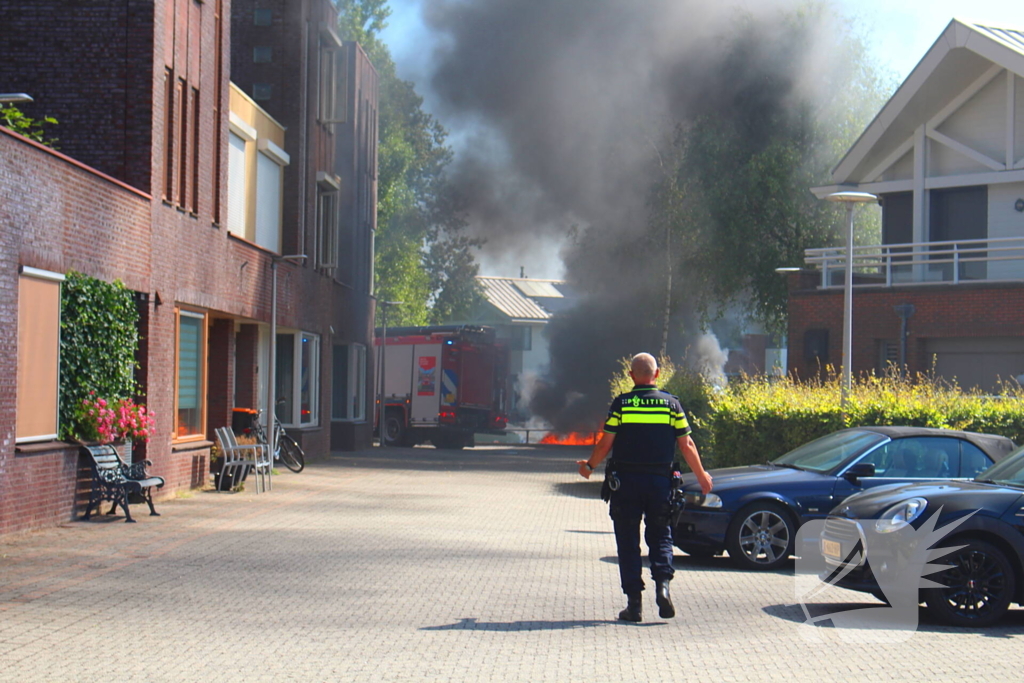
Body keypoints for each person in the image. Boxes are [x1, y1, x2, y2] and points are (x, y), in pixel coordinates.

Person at [577, 353, 713, 622]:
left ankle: (634, 605)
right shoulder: (671, 405)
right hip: (660, 484)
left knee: (628, 542)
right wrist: (702, 476)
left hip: (626, 483)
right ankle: (662, 587)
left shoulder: (622, 404)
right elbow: (687, 445)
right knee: (661, 536)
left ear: (631, 375)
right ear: (657, 374)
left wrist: (589, 467)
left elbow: (607, 442)